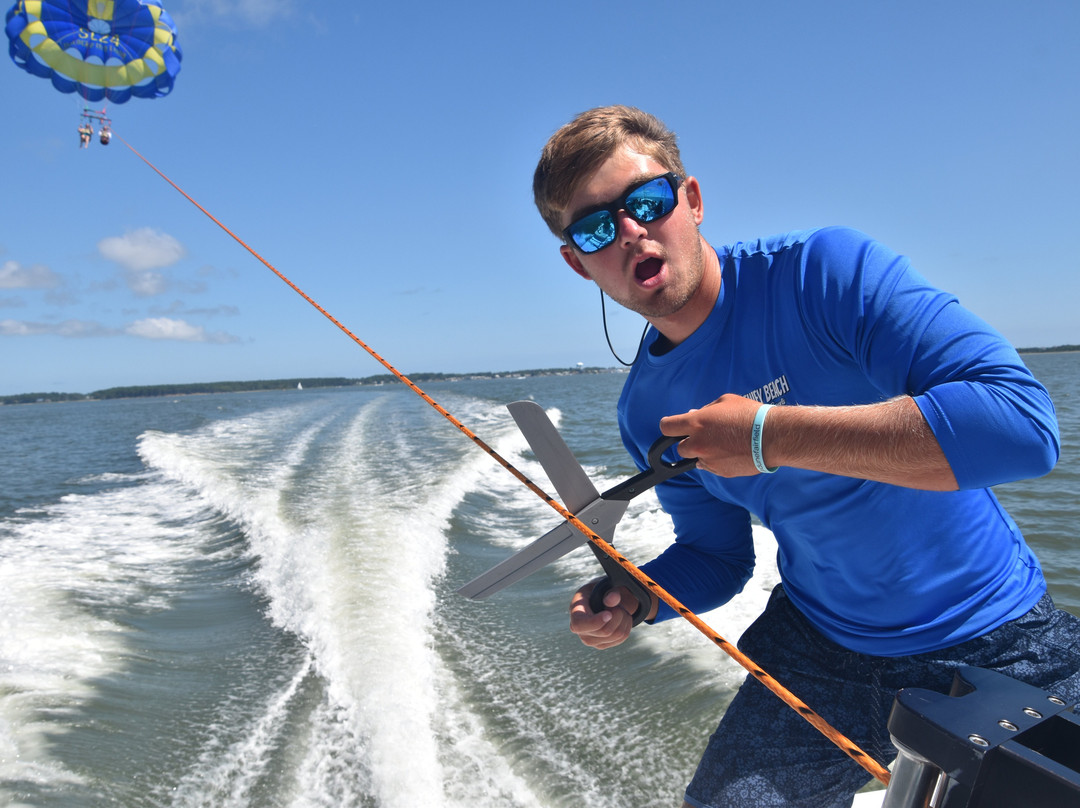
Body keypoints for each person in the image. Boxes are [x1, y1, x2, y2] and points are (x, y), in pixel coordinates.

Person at [532, 105, 1080, 808]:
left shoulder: (823, 272)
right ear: (578, 262)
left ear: (691, 201)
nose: (632, 230)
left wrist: (769, 435)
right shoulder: (645, 410)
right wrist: (639, 599)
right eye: (597, 227)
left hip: (998, 635)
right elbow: (716, 558)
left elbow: (1020, 426)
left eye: (647, 201)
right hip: (821, 649)